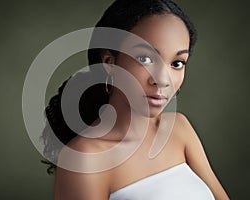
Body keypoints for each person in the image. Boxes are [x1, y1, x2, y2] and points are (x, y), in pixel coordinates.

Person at [44, 0, 230, 199]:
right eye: (145, 59)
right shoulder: (85, 160)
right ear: (109, 63)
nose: (163, 80)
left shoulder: (179, 129)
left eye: (177, 63)